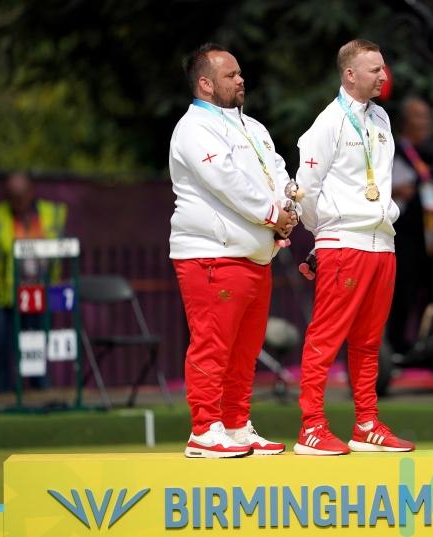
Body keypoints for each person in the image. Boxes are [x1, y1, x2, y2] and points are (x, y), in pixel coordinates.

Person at [169, 43, 295, 459]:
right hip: (211, 253)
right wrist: (273, 213)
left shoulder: (253, 127)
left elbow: (276, 170)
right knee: (213, 344)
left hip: (254, 255)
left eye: (241, 73)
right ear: (205, 83)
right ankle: (205, 430)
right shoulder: (193, 128)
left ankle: (237, 425)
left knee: (244, 351)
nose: (241, 79)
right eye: (230, 75)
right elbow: (225, 180)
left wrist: (286, 211)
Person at [294, 39, 415, 455]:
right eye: (375, 70)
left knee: (368, 340)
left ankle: (366, 423)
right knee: (326, 337)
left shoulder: (380, 118)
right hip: (344, 241)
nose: (384, 76)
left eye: (383, 68)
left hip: (383, 242)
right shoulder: (327, 124)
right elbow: (305, 191)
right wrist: (321, 233)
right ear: (349, 74)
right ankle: (311, 425)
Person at [0, 171, 67, 393]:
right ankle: (1, 393)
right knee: (1, 346)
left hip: (39, 292)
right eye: (12, 196)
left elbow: (63, 249)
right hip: (5, 293)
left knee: (37, 344)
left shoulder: (50, 214)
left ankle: (40, 391)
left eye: (21, 195)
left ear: (31, 192)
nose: (17, 201)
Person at [388, 97, 433, 356]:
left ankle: (430, 343)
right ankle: (396, 345)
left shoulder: (432, 155)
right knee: (404, 291)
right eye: (418, 116)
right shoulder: (391, 149)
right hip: (404, 236)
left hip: (432, 236)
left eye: (426, 116)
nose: (425, 122)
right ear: (405, 121)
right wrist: (395, 189)